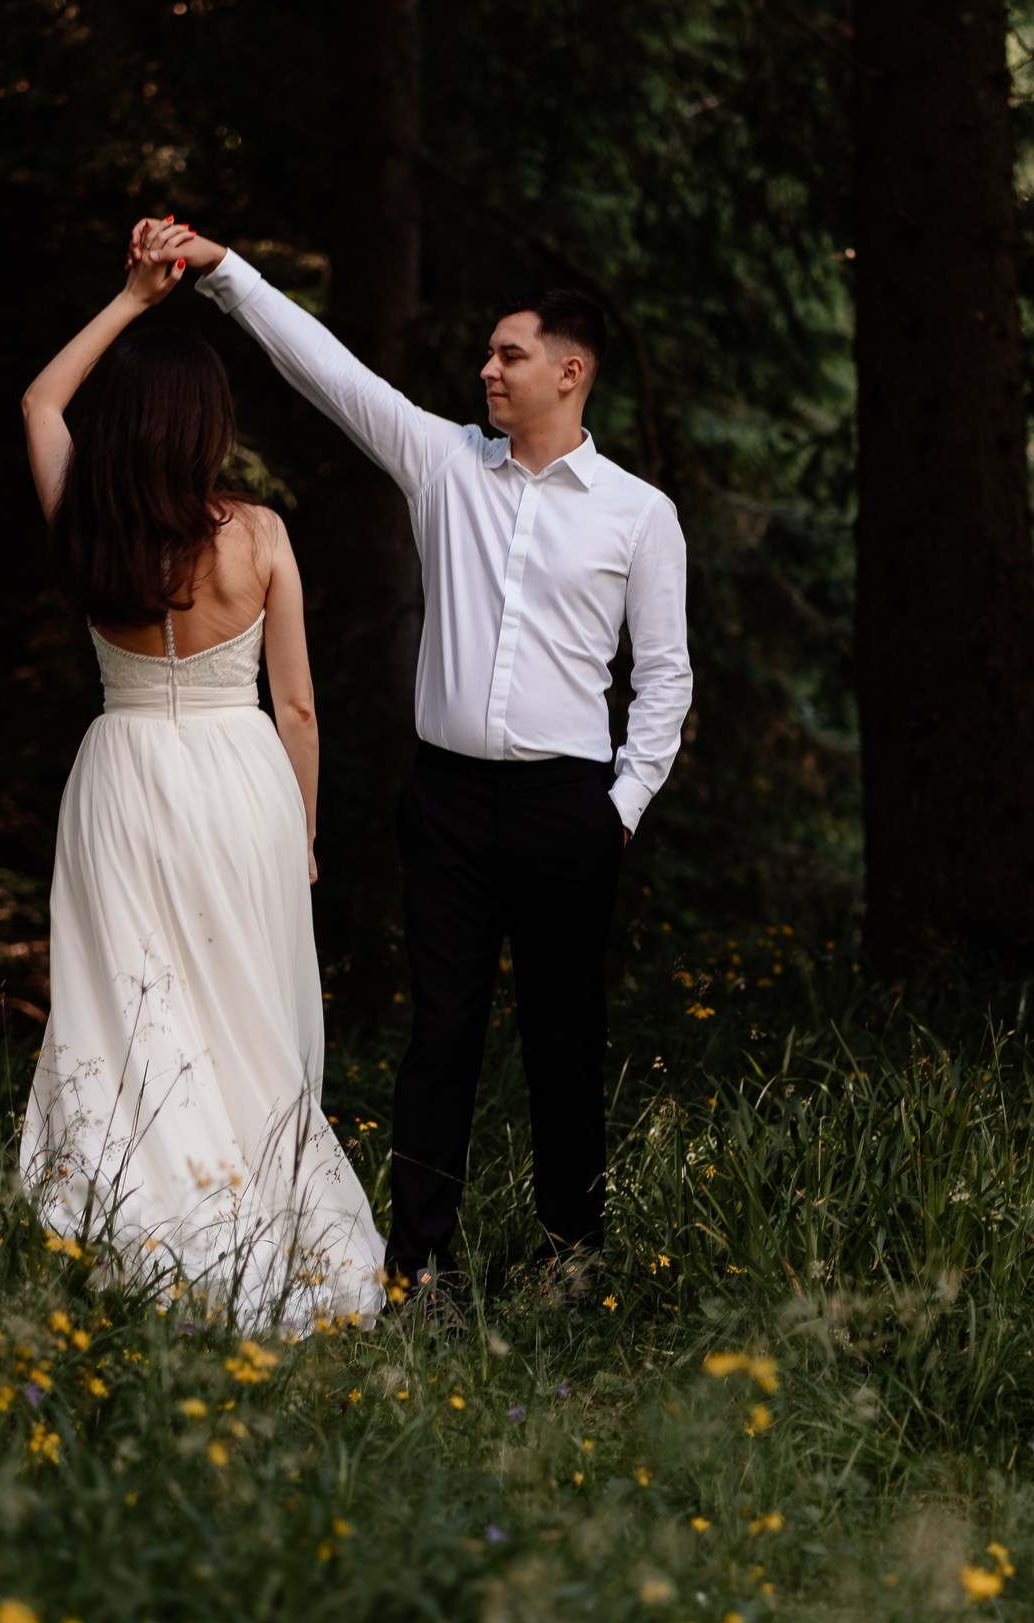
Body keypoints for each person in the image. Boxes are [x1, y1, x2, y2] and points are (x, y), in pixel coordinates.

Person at [141, 218, 693, 1328]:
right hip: (442, 801)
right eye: (489, 356)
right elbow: (329, 370)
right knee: (438, 1034)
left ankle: (568, 1260)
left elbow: (667, 678)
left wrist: (617, 811)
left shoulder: (640, 515)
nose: (487, 371)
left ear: (569, 372)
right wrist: (224, 275)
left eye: (510, 356)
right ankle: (420, 1271)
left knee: (562, 1038)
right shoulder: (443, 463)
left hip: (565, 808)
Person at [15, 225, 386, 1332]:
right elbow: (301, 707)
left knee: (132, 1010)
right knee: (244, 1010)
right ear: (207, 427)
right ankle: (268, 1226)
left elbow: (39, 403)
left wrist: (132, 301)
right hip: (240, 779)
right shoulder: (260, 536)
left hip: (121, 774)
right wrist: (304, 832)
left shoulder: (86, 520)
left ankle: (139, 1230)